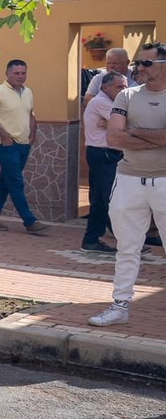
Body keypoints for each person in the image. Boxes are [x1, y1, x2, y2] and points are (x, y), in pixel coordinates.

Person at [90, 45, 166, 327]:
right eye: (137, 62)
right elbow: (113, 138)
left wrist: (134, 132)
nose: (139, 68)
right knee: (127, 248)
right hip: (129, 180)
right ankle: (120, 306)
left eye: (146, 62)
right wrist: (157, 138)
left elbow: (125, 134)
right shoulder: (127, 94)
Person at [0, 59, 49, 234]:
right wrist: (3, 134)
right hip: (5, 146)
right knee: (16, 183)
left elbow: (31, 114)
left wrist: (32, 134)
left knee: (5, 182)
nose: (20, 76)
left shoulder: (28, 92)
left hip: (23, 145)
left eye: (23, 73)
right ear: (7, 73)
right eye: (16, 73)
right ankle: (29, 221)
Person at [82, 71, 127, 254]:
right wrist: (116, 124)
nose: (123, 90)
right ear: (105, 87)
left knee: (101, 200)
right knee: (113, 200)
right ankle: (129, 244)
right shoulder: (101, 102)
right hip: (104, 155)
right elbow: (125, 124)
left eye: (125, 86)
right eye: (119, 87)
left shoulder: (113, 102)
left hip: (104, 155)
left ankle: (91, 240)